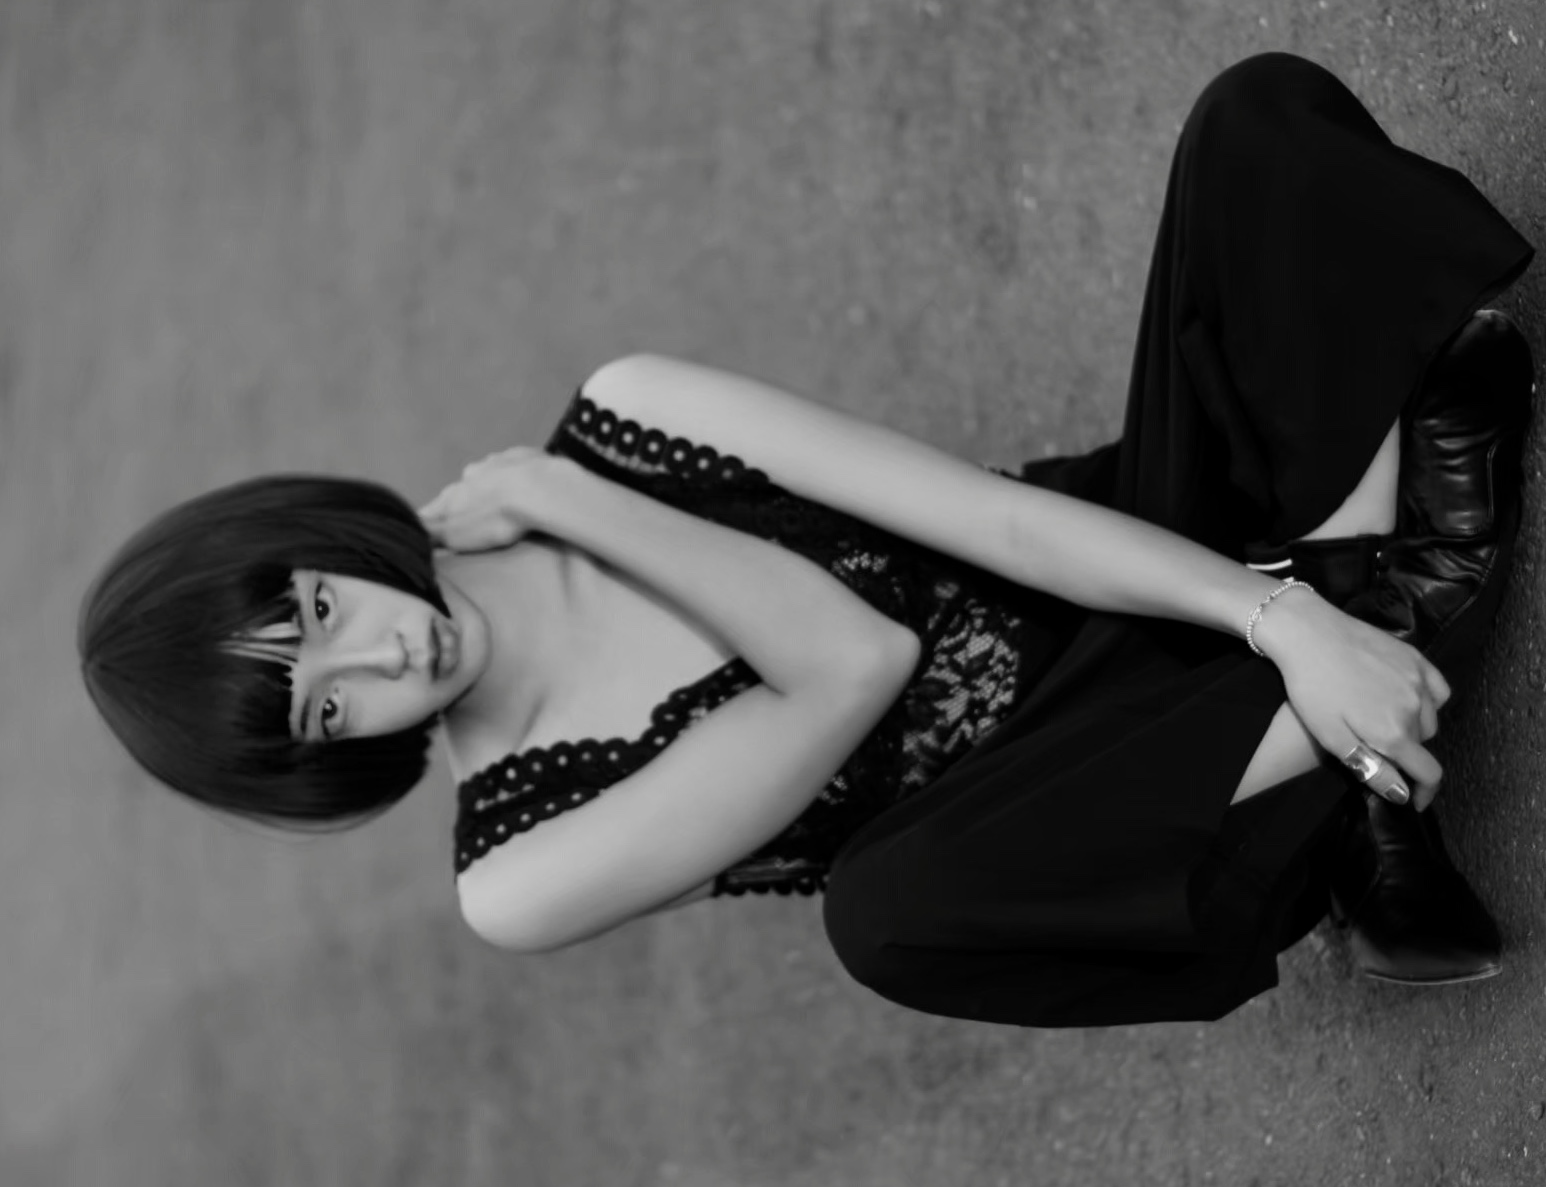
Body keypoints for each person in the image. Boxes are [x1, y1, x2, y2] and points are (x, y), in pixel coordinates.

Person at [78, 56, 1535, 1028]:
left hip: (1151, 564)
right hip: (1102, 797)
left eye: (318, 613)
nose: (384, 657)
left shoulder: (630, 412)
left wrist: (1277, 620)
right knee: (886, 917)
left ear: (317, 545)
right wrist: (577, 504)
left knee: (1252, 133)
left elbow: (1004, 521)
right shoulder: (515, 874)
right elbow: (850, 663)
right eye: (329, 709)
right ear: (334, 758)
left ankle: (1362, 666)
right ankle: (1381, 621)